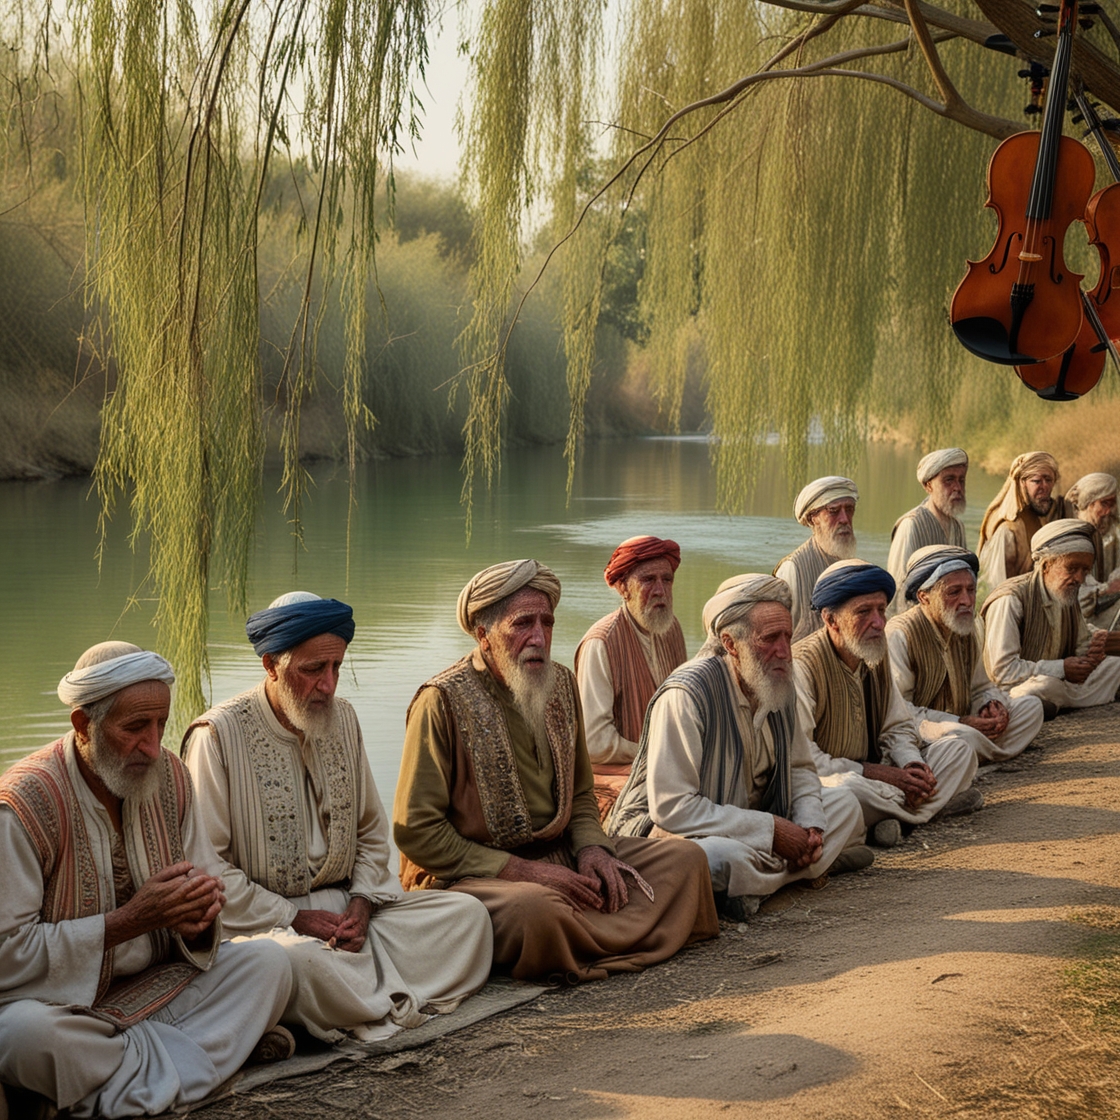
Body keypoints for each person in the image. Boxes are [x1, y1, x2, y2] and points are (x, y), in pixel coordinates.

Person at [182, 593, 492, 1044]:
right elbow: (209, 870)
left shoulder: (342, 718)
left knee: (467, 916)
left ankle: (331, 1011)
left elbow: (370, 832)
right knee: (292, 964)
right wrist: (294, 918)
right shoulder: (217, 736)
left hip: (349, 915)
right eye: (312, 670)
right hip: (266, 927)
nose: (328, 685)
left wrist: (363, 905)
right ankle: (357, 1001)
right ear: (271, 664)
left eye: (336, 668)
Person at [0, 643, 293, 1118]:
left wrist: (197, 918)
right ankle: (193, 1064)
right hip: (64, 1011)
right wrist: (127, 922)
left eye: (161, 724)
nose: (155, 746)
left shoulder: (171, 778)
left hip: (157, 991)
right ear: (83, 727)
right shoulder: (25, 805)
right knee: (23, 1037)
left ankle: (104, 1086)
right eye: (135, 727)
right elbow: (6, 956)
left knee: (270, 963)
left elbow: (197, 906)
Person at [393, 560, 719, 982]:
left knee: (687, 859)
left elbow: (581, 794)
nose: (539, 638)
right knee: (537, 911)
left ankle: (586, 938)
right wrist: (519, 871)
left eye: (546, 622)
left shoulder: (561, 684)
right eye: (522, 624)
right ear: (483, 635)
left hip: (560, 854)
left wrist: (591, 850)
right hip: (473, 876)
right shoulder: (439, 702)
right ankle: (606, 935)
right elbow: (416, 830)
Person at [608, 575, 869, 922]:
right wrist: (772, 832)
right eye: (770, 639)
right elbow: (672, 809)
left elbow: (801, 769)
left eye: (787, 637)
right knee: (717, 857)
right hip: (671, 833)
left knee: (845, 803)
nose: (783, 651)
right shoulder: (687, 696)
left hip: (754, 820)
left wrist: (809, 826)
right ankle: (802, 870)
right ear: (731, 643)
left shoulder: (780, 683)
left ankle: (762, 883)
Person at [793, 561, 981, 849]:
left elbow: (898, 726)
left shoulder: (875, 652)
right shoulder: (803, 667)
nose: (879, 622)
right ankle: (922, 811)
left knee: (959, 749)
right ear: (831, 620)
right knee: (847, 791)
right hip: (839, 779)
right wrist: (882, 775)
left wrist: (912, 765)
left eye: (881, 610)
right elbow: (807, 761)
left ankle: (892, 819)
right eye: (864, 612)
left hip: (881, 776)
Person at [886, 545, 1044, 762]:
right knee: (962, 737)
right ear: (924, 597)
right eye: (954, 592)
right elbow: (898, 713)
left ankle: (974, 757)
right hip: (927, 731)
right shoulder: (900, 634)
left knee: (1030, 706)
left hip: (965, 724)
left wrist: (990, 705)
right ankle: (977, 755)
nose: (967, 601)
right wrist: (959, 722)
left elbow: (981, 687)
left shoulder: (967, 626)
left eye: (970, 590)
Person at [574, 535, 688, 818]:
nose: (661, 590)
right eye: (648, 580)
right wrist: (655, 752)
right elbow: (596, 744)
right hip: (614, 775)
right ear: (623, 587)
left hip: (664, 764)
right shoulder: (600, 643)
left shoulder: (671, 628)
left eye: (667, 580)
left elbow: (684, 705)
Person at [979, 520, 1120, 714]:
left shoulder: (1067, 593)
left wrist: (1091, 652)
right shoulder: (1010, 599)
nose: (1079, 578)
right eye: (1072, 569)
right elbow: (1002, 671)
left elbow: (1081, 643)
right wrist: (1062, 668)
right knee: (1041, 687)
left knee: (1115, 665)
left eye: (1085, 571)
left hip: (1060, 682)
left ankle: (1053, 705)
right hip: (1016, 687)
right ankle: (1038, 706)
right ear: (1046, 565)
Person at [775, 475, 860, 641]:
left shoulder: (852, 565)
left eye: (849, 509)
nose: (844, 519)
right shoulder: (793, 569)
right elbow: (777, 636)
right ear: (813, 518)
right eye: (834, 511)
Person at [886, 448, 969, 616]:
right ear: (928, 485)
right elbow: (900, 589)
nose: (957, 487)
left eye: (961, 480)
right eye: (949, 480)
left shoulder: (958, 526)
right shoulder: (911, 525)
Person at [977, 451, 1070, 589]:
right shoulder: (1007, 530)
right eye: (1037, 481)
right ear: (1022, 483)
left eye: (1049, 480)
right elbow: (993, 585)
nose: (1044, 487)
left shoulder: (1045, 517)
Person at [1066, 472, 1120, 624]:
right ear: (1088, 503)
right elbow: (1070, 599)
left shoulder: (1113, 537)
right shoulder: (1069, 540)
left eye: (1112, 504)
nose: (1109, 511)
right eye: (1104, 504)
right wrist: (1108, 589)